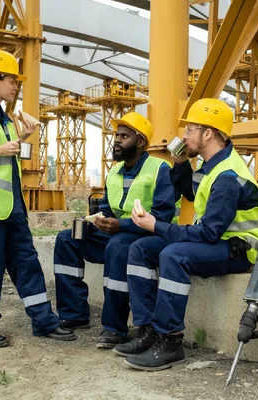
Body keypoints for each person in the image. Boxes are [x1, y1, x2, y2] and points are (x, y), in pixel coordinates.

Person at [113, 98, 258, 370]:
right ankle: (148, 330)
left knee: (173, 254)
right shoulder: (211, 164)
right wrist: (182, 163)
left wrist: (155, 226)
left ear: (208, 133)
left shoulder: (228, 176)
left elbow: (208, 233)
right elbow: (192, 193)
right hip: (216, 242)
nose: (182, 136)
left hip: (236, 250)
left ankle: (170, 340)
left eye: (189, 130)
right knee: (141, 249)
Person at [0, 49, 75, 347]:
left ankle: (44, 321)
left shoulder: (5, 120)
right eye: (12, 80)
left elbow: (6, 153)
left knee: (26, 262)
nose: (16, 86)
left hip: (11, 207)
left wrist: (22, 139)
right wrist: (1, 149)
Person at [53, 112, 177, 349]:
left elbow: (162, 216)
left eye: (124, 136)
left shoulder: (160, 168)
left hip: (147, 236)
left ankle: (115, 328)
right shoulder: (115, 172)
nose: (117, 140)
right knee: (68, 238)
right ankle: (74, 314)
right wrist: (94, 221)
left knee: (117, 246)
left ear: (140, 142)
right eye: (116, 135)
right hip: (119, 231)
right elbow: (108, 210)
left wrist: (122, 226)